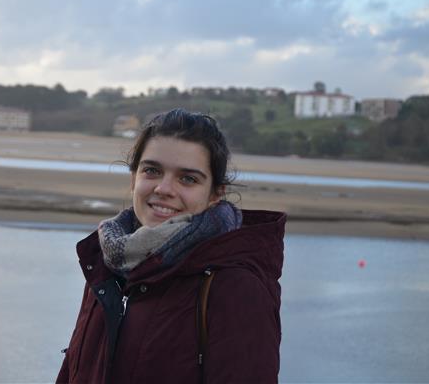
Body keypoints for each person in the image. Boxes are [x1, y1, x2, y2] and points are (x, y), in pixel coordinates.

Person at [57, 108, 285, 384]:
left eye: (188, 178)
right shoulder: (109, 263)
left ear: (215, 194)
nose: (164, 188)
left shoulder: (235, 287)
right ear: (134, 178)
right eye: (152, 170)